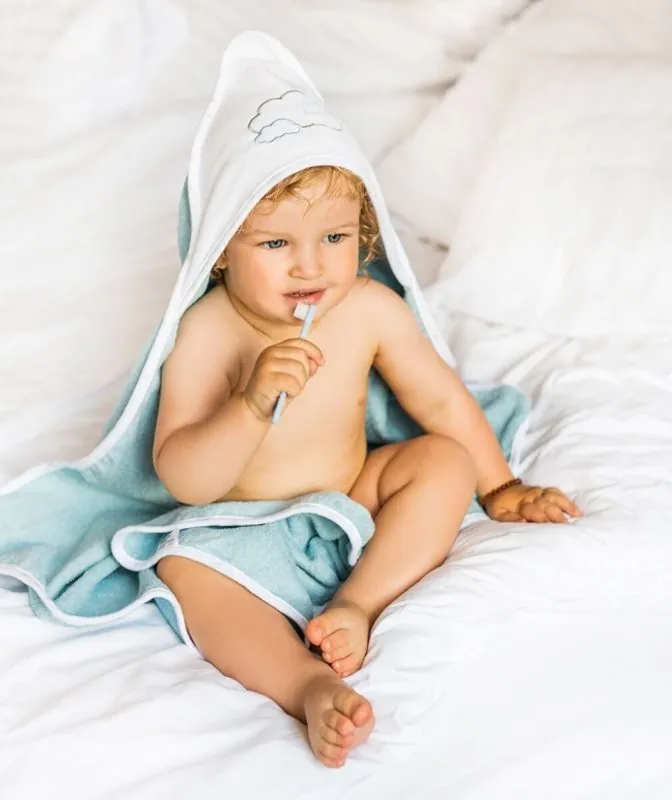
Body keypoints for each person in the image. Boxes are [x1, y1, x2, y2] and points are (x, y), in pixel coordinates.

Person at [151, 164, 582, 768]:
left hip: (350, 502)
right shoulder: (209, 330)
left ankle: (356, 603)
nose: (310, 266)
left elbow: (439, 401)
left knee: (444, 460)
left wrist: (501, 485)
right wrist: (249, 405)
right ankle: (304, 684)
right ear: (221, 249)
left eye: (335, 237)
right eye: (276, 243)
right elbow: (184, 478)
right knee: (182, 567)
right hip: (242, 530)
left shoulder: (368, 308)